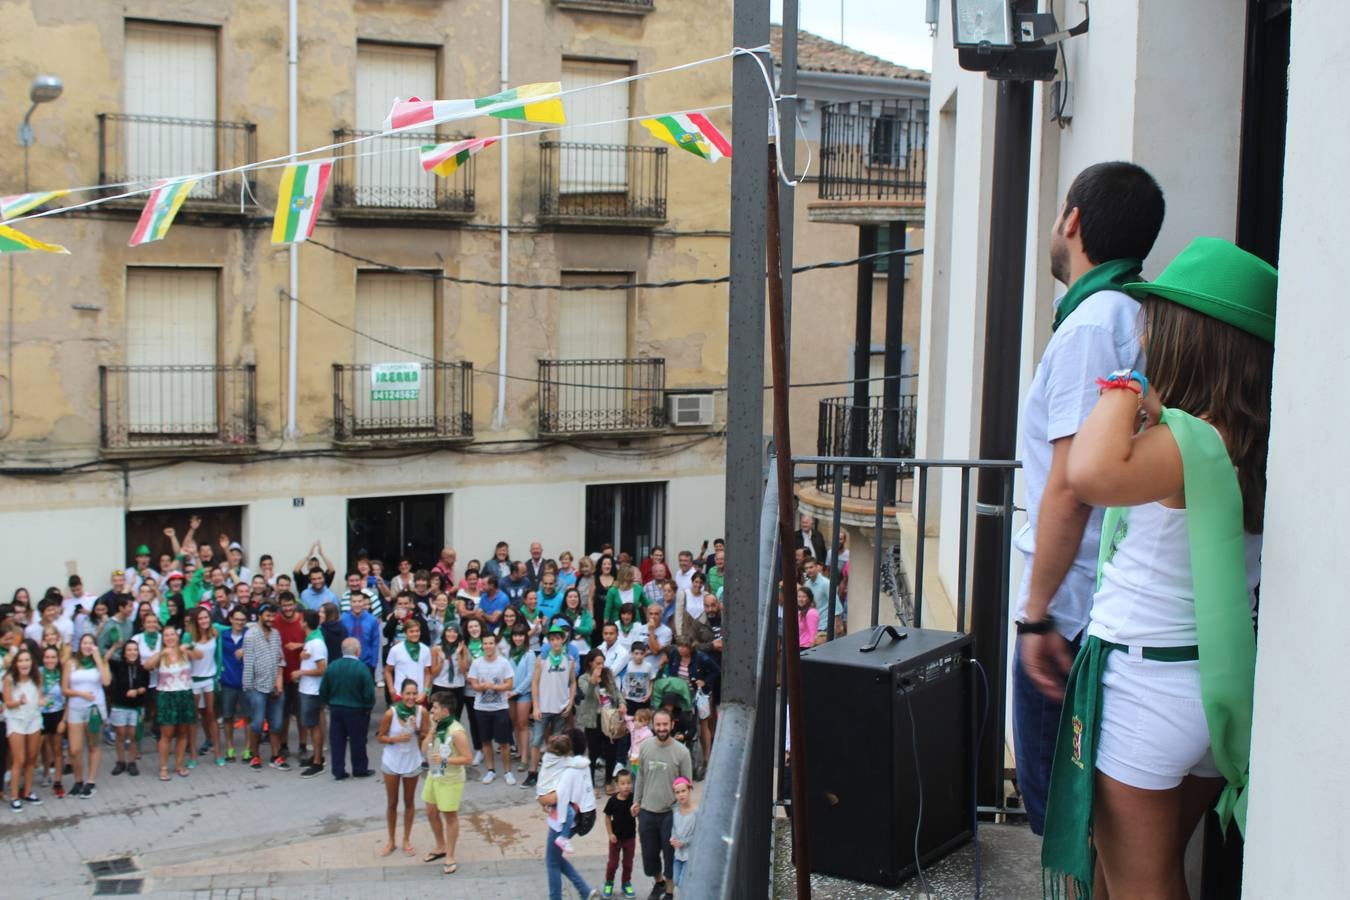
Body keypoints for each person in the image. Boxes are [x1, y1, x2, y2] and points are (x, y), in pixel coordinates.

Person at [1040, 238, 1276, 898]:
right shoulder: (1249, 439)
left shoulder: (1188, 441)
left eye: (1155, 317)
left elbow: (1086, 473)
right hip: (1211, 692)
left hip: (1148, 688)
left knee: (1140, 885)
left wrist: (1125, 388)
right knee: (1151, 865)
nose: (1143, 327)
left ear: (1188, 339)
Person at [1014, 161, 1166, 837]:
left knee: (1062, 828)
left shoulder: (1091, 326)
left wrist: (1037, 616)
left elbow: (1072, 485)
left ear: (1071, 222)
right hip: (1093, 600)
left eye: (1057, 215)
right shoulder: (1132, 312)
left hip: (1070, 610)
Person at [632, 709, 691, 900]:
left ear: (672, 725)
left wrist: (684, 814)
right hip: (647, 811)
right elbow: (640, 775)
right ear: (653, 725)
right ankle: (658, 882)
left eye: (665, 724)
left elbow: (687, 785)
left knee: (670, 855)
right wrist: (637, 801)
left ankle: (669, 891)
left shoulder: (682, 752)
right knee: (649, 854)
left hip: (670, 813)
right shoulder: (646, 747)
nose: (662, 728)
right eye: (658, 724)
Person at [539, 731, 600, 900]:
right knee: (555, 858)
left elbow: (558, 797)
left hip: (563, 821)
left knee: (551, 862)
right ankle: (585, 891)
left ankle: (557, 897)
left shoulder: (568, 770)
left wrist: (543, 799)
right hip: (578, 819)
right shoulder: (582, 765)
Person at [422, 690, 473, 875]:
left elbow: (468, 758)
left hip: (450, 779)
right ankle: (440, 846)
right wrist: (431, 730)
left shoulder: (456, 731)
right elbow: (423, 748)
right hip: (434, 775)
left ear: (445, 710)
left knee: (450, 816)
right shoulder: (436, 726)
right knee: (430, 811)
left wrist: (445, 761)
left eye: (434, 707)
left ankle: (450, 855)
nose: (431, 710)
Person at [378, 677, 427, 857]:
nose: (411, 697)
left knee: (409, 802)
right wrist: (394, 739)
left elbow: (426, 737)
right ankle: (391, 840)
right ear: (401, 694)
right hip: (392, 762)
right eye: (408, 693)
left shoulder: (422, 712)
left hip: (412, 761)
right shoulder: (391, 713)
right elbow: (380, 737)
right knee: (392, 802)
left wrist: (417, 730)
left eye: (414, 693)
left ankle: (406, 839)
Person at [320, 638, 376, 781]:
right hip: (356, 709)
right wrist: (368, 707)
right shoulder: (362, 668)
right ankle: (359, 769)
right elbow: (369, 693)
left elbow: (323, 689)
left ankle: (338, 770)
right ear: (358, 651)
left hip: (336, 708)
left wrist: (328, 702)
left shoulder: (333, 666)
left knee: (337, 740)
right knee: (358, 740)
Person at [145, 625, 197, 780]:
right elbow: (147, 666)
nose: (170, 638)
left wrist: (187, 648)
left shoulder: (184, 650)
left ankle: (179, 765)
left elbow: (199, 655)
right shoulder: (161, 654)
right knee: (166, 734)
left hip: (185, 694)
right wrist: (162, 653)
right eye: (166, 635)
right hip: (167, 696)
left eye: (172, 634)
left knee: (183, 733)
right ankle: (163, 767)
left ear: (177, 636)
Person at [529, 624, 576, 787]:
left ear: (563, 640)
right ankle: (533, 773)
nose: (555, 642)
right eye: (552, 639)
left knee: (557, 741)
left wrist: (570, 703)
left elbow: (573, 682)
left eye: (558, 639)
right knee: (536, 741)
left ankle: (553, 773)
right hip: (543, 707)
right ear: (548, 641)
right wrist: (535, 706)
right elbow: (534, 683)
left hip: (560, 708)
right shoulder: (541, 659)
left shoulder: (569, 660)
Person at [63, 634, 110, 798]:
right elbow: (65, 689)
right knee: (75, 749)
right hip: (76, 708)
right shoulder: (71, 663)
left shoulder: (101, 662)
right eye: (84, 643)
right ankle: (78, 780)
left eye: (91, 643)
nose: (87, 646)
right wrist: (81, 693)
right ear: (80, 645)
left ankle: (91, 781)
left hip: (94, 709)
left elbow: (106, 682)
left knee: (93, 745)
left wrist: (98, 658)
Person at [242, 603, 287, 771]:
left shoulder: (276, 634)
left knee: (276, 724)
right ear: (260, 616)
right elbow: (248, 663)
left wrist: (279, 680)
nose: (270, 619)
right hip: (256, 687)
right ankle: (255, 755)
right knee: (257, 724)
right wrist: (248, 688)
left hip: (274, 685)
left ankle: (276, 756)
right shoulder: (251, 635)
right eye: (267, 615)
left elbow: (280, 659)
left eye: (272, 616)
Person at [468, 632, 517, 785]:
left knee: (504, 742)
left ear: (495, 645)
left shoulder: (503, 663)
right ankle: (491, 770)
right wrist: (481, 687)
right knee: (486, 740)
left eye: (491, 643)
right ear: (482, 645)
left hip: (500, 707)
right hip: (481, 708)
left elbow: (510, 684)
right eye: (485, 643)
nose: (488, 646)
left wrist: (494, 686)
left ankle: (508, 771)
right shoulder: (476, 663)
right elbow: (473, 684)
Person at [578, 650, 626, 794]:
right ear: (590, 663)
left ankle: (608, 781)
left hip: (609, 717)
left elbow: (616, 692)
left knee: (611, 750)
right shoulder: (583, 678)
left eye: (602, 663)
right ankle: (591, 783)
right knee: (593, 752)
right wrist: (593, 680)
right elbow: (587, 694)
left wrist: (622, 703)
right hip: (594, 718)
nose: (601, 666)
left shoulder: (608, 674)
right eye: (598, 663)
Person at [4, 646, 43, 810]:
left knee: (32, 758)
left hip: (33, 719)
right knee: (19, 759)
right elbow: (7, 702)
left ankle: (27, 792)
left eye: (27, 660)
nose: (24, 663)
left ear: (32, 662)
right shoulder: (9, 679)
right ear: (16, 663)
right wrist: (18, 702)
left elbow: (39, 696)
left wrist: (42, 700)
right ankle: (14, 796)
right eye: (20, 660)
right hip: (16, 720)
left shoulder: (37, 676)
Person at [185, 606, 222, 765]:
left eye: (206, 617)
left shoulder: (215, 631)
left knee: (211, 715)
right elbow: (184, 657)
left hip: (210, 679)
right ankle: (192, 755)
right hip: (193, 680)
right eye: (200, 618)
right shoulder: (188, 637)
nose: (204, 621)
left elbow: (233, 624)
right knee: (193, 718)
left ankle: (218, 753)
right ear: (195, 621)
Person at [294, 609, 328, 778]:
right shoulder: (312, 640)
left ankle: (317, 762)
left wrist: (301, 673)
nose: (299, 623)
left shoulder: (315, 643)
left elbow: (322, 669)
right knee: (311, 724)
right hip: (308, 689)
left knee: (314, 726)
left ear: (306, 623)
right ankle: (316, 756)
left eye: (301, 620)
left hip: (312, 690)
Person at [107, 639, 148, 778]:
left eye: (135, 650)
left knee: (133, 736)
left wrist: (137, 691)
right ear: (124, 653)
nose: (132, 652)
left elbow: (145, 687)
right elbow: (104, 659)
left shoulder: (142, 668)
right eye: (129, 650)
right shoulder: (119, 666)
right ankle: (120, 761)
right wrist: (114, 646)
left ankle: (132, 762)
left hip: (136, 707)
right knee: (120, 735)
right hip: (120, 705)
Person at [216, 607, 248, 762]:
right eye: (237, 619)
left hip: (246, 682)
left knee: (247, 716)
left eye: (242, 620)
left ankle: (248, 748)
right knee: (228, 717)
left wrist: (247, 649)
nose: (239, 622)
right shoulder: (223, 635)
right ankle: (230, 748)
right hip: (228, 682)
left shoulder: (250, 635)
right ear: (231, 619)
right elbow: (212, 625)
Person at [508, 625, 537, 782]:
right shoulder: (509, 653)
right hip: (510, 693)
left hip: (523, 693)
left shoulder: (530, 654)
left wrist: (517, 691)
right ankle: (519, 750)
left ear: (525, 637)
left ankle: (525, 758)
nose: (518, 638)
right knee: (515, 723)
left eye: (521, 635)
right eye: (515, 635)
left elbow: (530, 676)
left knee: (523, 724)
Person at [603, 768, 638, 898]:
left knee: (628, 863)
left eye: (629, 783)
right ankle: (609, 882)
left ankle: (626, 883)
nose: (626, 786)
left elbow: (638, 812)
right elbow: (607, 817)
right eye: (623, 783)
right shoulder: (612, 801)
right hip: (615, 838)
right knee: (613, 863)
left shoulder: (634, 798)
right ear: (617, 785)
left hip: (630, 838)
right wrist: (610, 833)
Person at [37, 644, 66, 796]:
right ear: (43, 659)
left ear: (58, 658)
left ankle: (57, 781)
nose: (50, 660)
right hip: (41, 714)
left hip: (57, 713)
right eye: (47, 657)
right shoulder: (38, 672)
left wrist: (64, 720)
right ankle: (46, 772)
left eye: (53, 657)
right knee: (41, 746)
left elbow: (68, 699)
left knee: (57, 748)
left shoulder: (61, 673)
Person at [384, 617, 431, 708]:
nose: (415, 634)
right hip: (400, 694)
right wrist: (391, 689)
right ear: (406, 633)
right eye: (411, 631)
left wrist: (425, 692)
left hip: (419, 695)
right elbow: (387, 670)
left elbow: (427, 673)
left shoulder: (425, 649)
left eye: (417, 631)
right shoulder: (395, 649)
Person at [340, 591, 382, 679]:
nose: (357, 604)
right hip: (347, 662)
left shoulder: (372, 620)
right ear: (350, 603)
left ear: (364, 603)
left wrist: (373, 663)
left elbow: (375, 642)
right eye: (354, 601)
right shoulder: (343, 619)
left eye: (359, 601)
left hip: (366, 662)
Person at [669, 777, 698, 890]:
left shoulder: (696, 812)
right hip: (678, 855)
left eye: (683, 791)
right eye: (677, 792)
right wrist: (673, 838)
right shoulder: (675, 811)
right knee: (676, 880)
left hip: (690, 856)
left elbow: (698, 835)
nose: (681, 795)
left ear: (689, 790)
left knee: (682, 884)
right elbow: (674, 829)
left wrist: (684, 842)